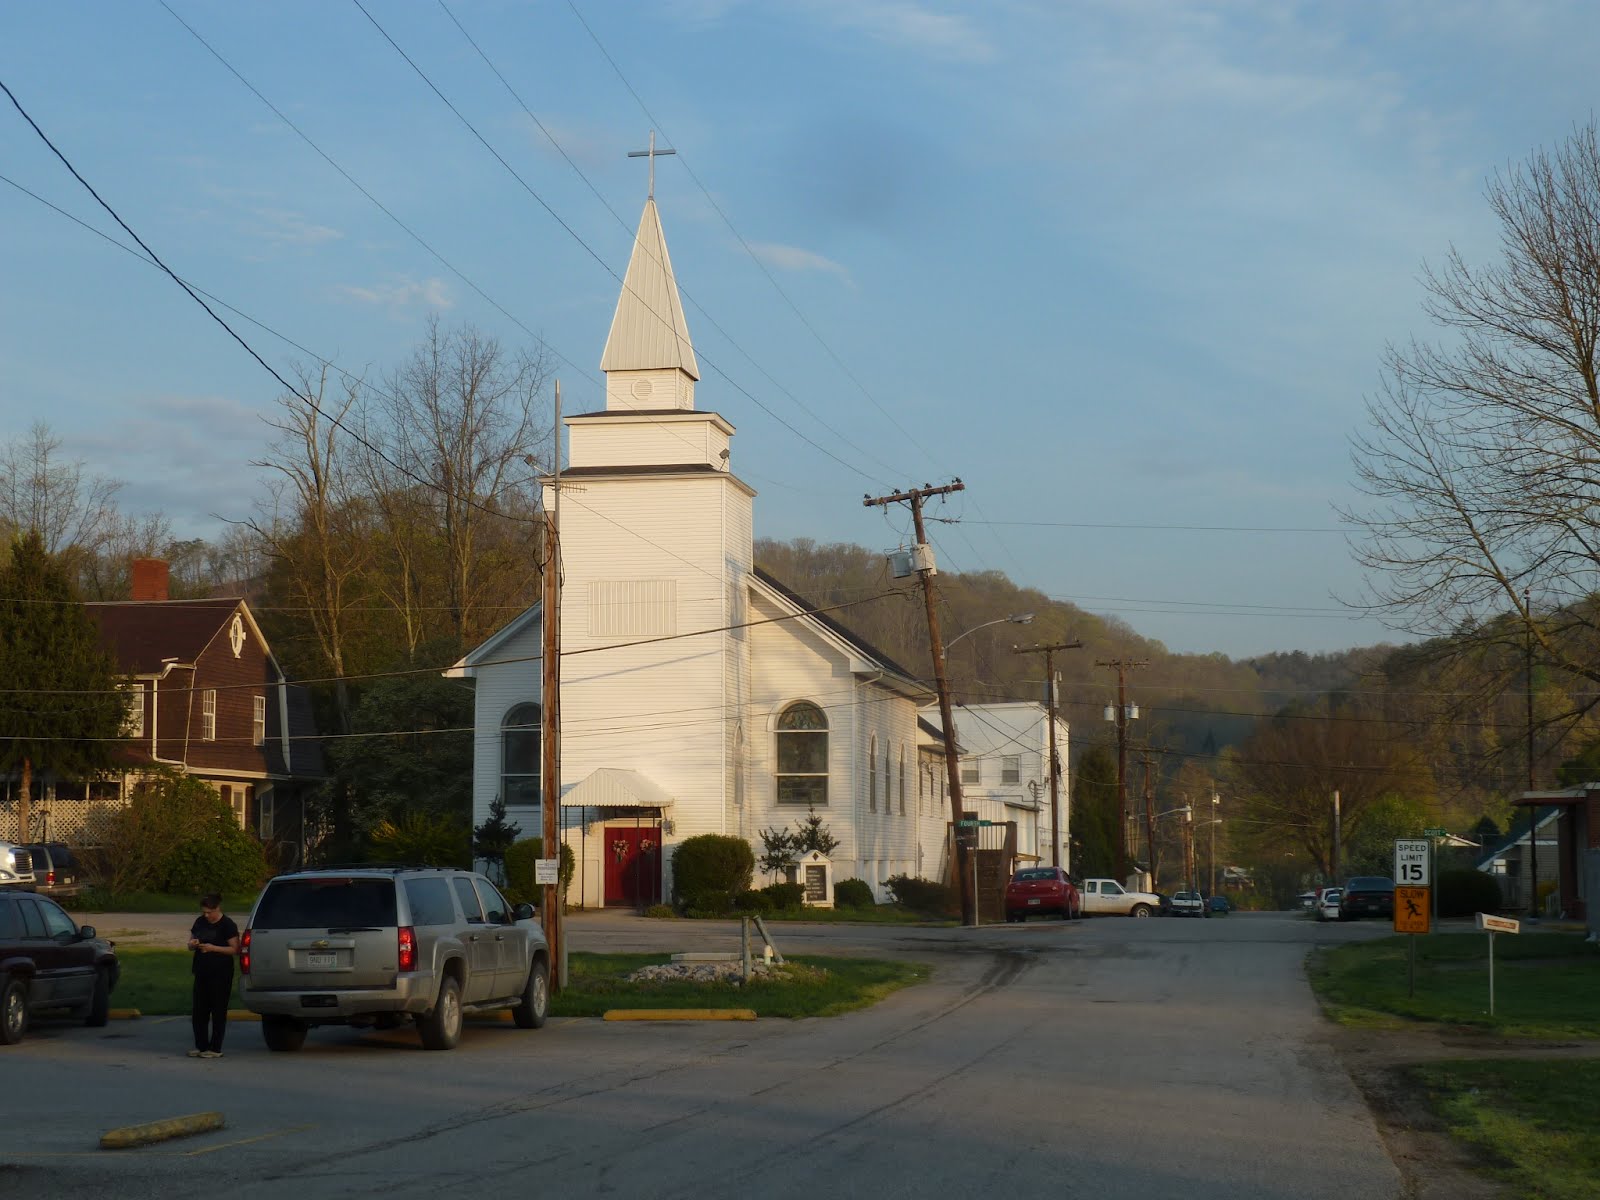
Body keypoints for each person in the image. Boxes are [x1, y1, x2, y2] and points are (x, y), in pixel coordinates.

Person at [187, 893, 240, 1059]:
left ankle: (215, 1048)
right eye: (204, 912)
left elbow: (234, 949)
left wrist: (213, 948)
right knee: (199, 1011)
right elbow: (190, 942)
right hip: (202, 971)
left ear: (217, 908)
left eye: (209, 912)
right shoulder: (200, 922)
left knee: (218, 1011)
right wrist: (193, 944)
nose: (206, 915)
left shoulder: (227, 925)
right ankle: (201, 1046)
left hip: (221, 973)